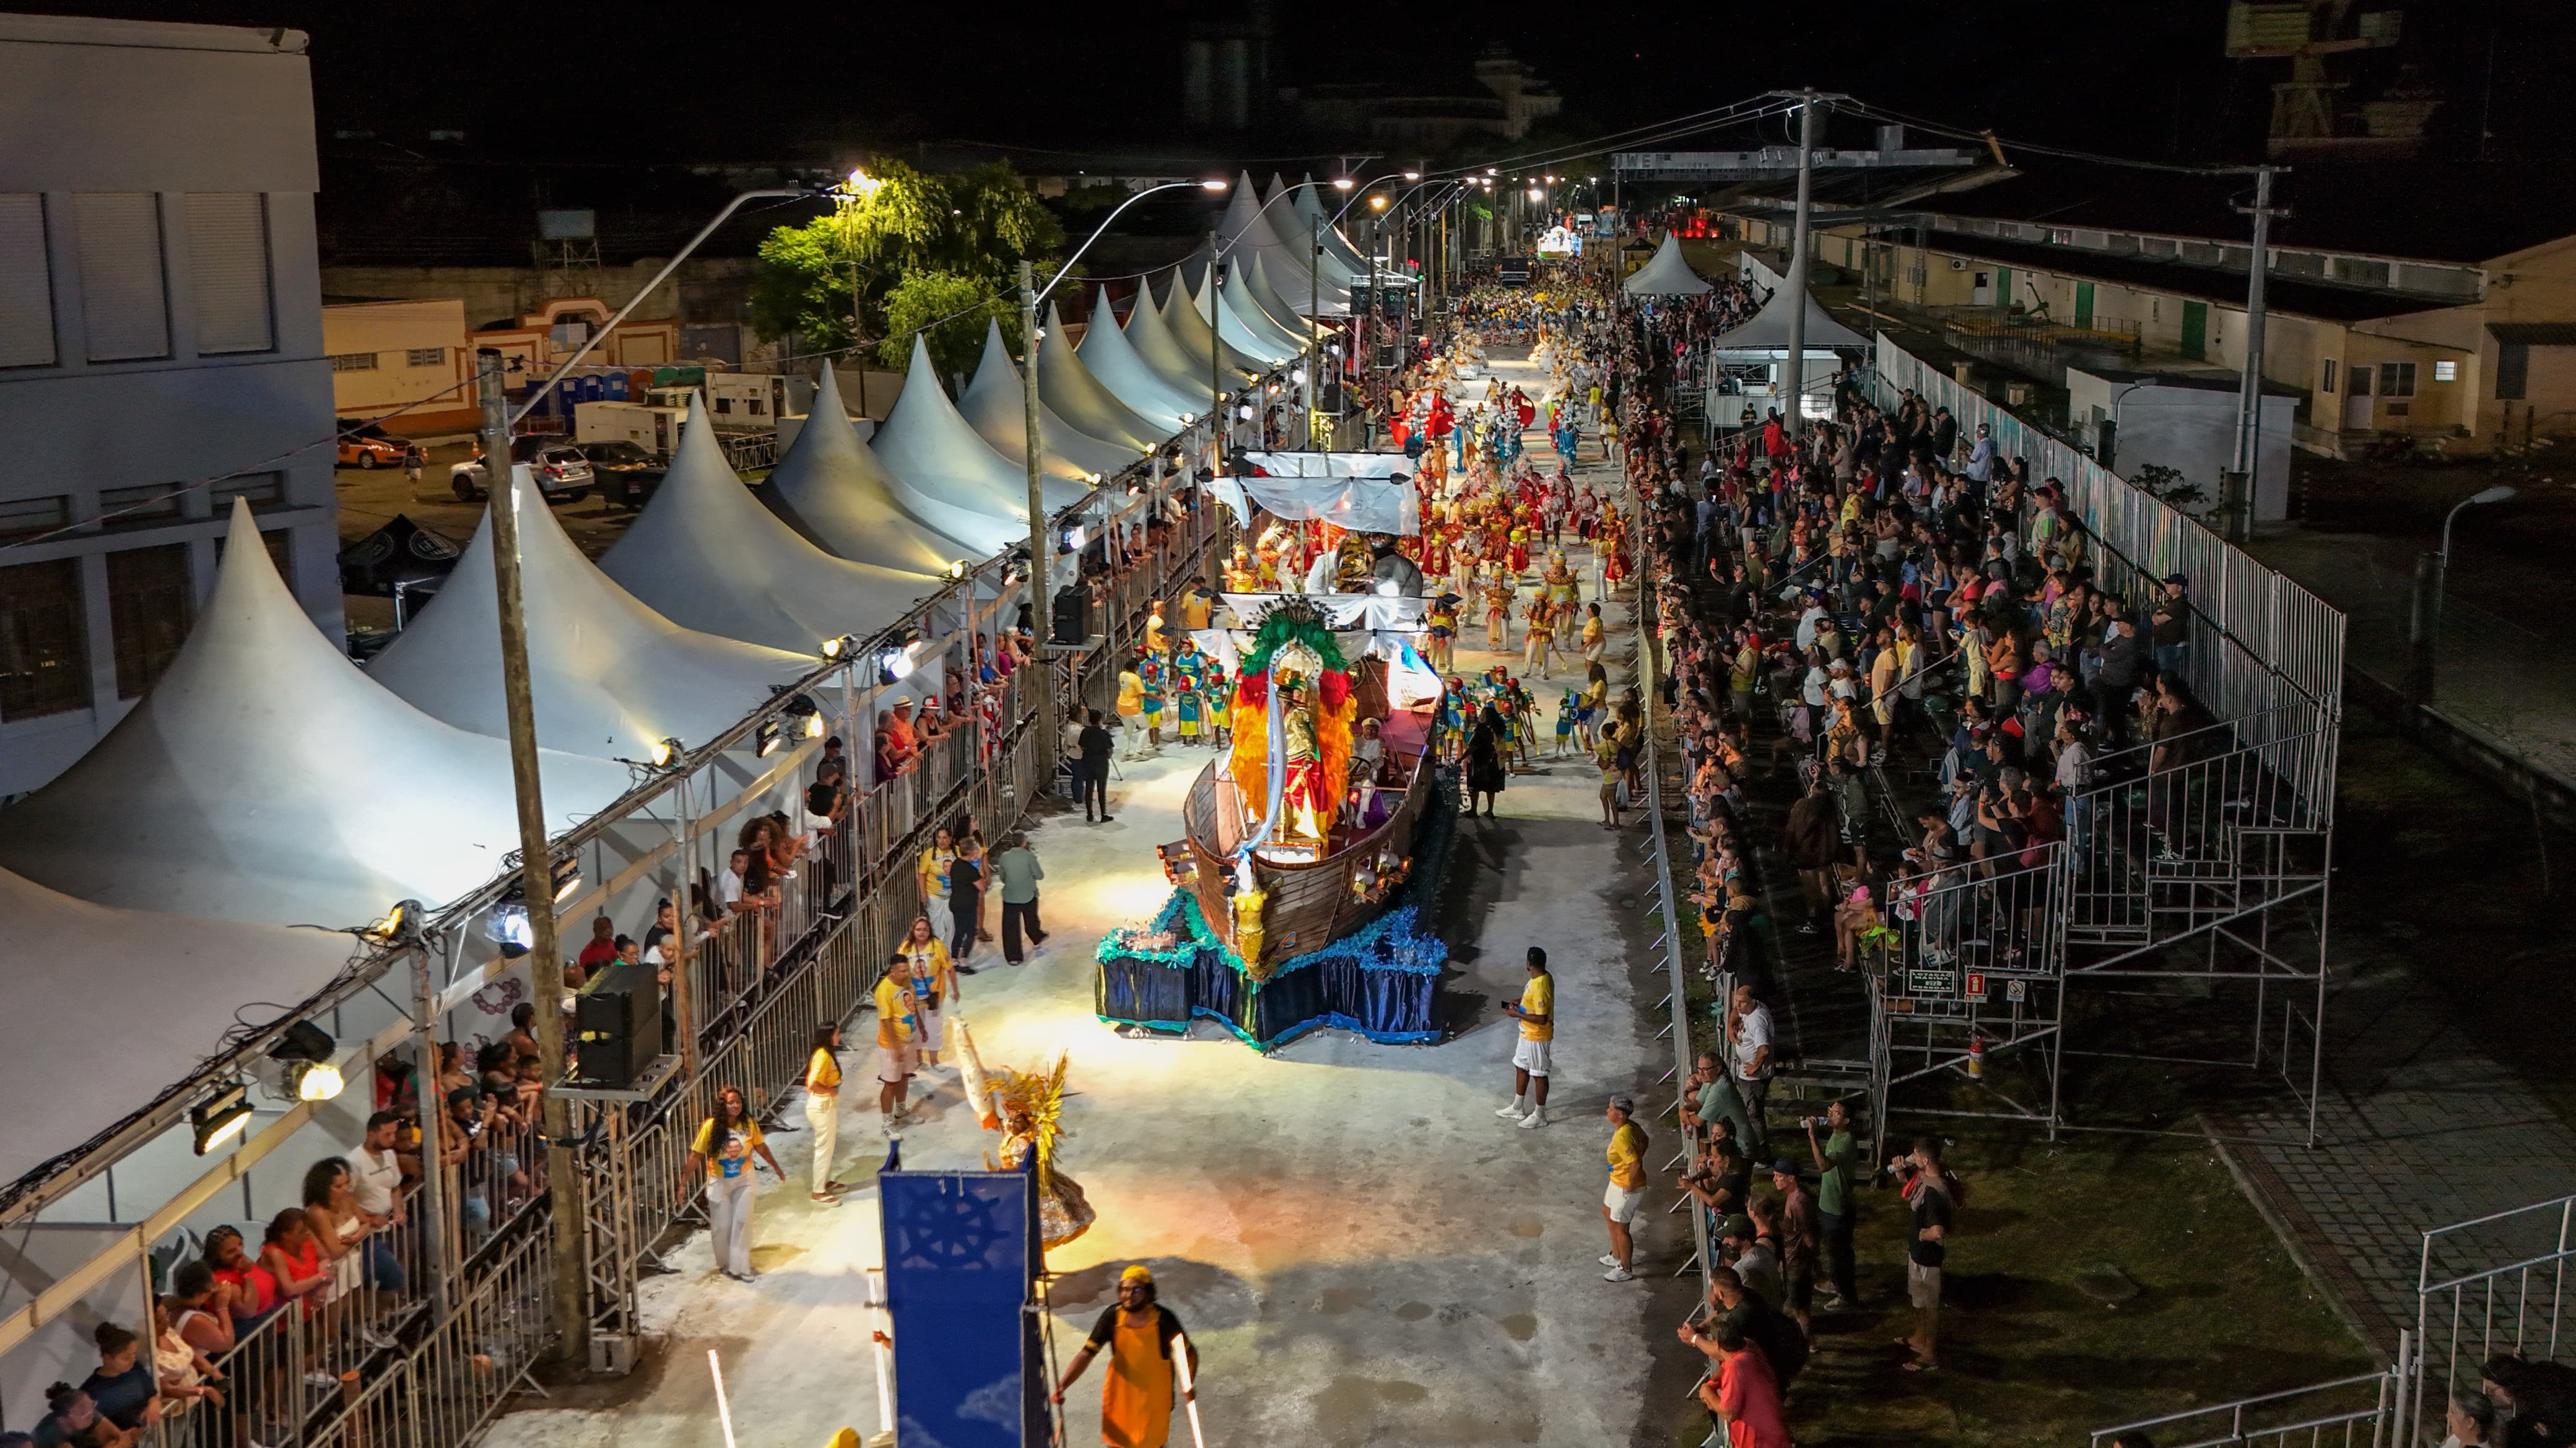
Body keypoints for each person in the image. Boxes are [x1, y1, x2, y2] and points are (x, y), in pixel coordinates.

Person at [1051, 1265, 1198, 1448]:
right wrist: (1063, 1384)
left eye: (1136, 1290)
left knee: (1150, 1442)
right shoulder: (1112, 1317)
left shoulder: (1164, 1320)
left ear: (1148, 1292)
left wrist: (1188, 1383)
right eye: (1125, 1289)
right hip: (1122, 1400)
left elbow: (1189, 1354)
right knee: (1118, 1443)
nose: (1129, 1296)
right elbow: (1087, 1353)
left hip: (1154, 1402)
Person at [684, 1084, 782, 1281]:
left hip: (744, 1179)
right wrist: (682, 1183)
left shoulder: (748, 1123)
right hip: (719, 1182)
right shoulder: (710, 1127)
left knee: (742, 1221)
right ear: (723, 1106)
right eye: (731, 1103)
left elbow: (761, 1147)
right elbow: (696, 1156)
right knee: (722, 1227)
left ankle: (741, 1266)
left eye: (738, 1102)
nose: (736, 1106)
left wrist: (776, 1167)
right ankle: (726, 1264)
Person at [1894, 1135, 1954, 1372]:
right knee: (1919, 1300)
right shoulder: (1924, 1177)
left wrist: (1921, 1235)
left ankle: (1930, 1353)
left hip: (1928, 1258)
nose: (1913, 1157)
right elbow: (1911, 1192)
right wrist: (1901, 1173)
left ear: (1926, 1159)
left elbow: (1937, 1231)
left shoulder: (1934, 1193)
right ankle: (1919, 1338)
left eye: (1916, 1154)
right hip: (1918, 1254)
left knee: (1929, 1306)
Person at [1690, 1320, 1788, 1448]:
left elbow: (1729, 1412)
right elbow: (1724, 1367)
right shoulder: (1747, 1350)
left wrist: (1707, 1393)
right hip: (1771, 1436)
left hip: (1759, 1442)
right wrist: (1711, 1384)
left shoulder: (1735, 1366)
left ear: (1717, 1345)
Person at [1805, 1099, 1861, 1309]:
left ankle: (1846, 1295)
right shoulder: (1836, 1134)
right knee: (1833, 1251)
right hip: (1828, 1204)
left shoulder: (1846, 1140)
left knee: (1840, 1254)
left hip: (1838, 1208)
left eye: (1836, 1113)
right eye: (1830, 1109)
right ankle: (1837, 1283)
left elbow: (1823, 1166)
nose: (1830, 1114)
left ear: (1846, 1120)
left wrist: (1812, 1136)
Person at [1496, 947, 1553, 1129]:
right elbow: (1530, 997)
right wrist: (1518, 1002)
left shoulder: (1541, 986)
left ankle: (1540, 1115)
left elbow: (1542, 1018)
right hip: (1526, 1033)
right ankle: (1518, 1107)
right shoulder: (1540, 977)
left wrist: (1517, 1016)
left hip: (1537, 1036)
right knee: (1521, 1066)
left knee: (1539, 1074)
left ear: (1528, 964)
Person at [1599, 1096, 1649, 1283]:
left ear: (1619, 1114)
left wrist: (1629, 1182)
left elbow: (1635, 1162)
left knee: (1622, 1228)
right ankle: (1616, 1254)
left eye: (1610, 1109)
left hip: (1627, 1187)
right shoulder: (1631, 1126)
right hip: (1617, 1180)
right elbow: (1645, 1140)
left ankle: (1626, 1268)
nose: (1607, 1110)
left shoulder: (1622, 1136)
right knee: (1607, 1212)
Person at [899, 916, 955, 1072]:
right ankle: (918, 1059)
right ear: (913, 931)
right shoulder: (906, 947)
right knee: (916, 1029)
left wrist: (955, 991)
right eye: (918, 929)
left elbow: (949, 968)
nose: (921, 932)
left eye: (925, 929)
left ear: (929, 932)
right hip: (912, 999)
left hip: (933, 997)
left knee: (934, 1028)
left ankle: (934, 1060)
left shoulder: (937, 946)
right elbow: (899, 970)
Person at [803, 1023, 851, 1203]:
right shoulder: (823, 1056)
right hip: (822, 1106)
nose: (839, 1037)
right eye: (837, 1034)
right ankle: (818, 1191)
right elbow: (812, 1083)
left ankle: (825, 1181)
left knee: (828, 1146)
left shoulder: (826, 1053)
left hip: (826, 1106)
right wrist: (830, 1091)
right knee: (824, 1148)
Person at [1726, 982, 1775, 1155]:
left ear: (1753, 1001)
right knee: (1749, 1112)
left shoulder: (1757, 1021)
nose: (1738, 1006)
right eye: (1736, 1001)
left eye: (1742, 1002)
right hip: (1746, 1075)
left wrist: (1755, 1067)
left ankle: (1761, 1154)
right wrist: (1732, 1027)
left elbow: (1764, 1049)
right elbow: (1735, 1011)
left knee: (1754, 1115)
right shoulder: (1748, 1010)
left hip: (1755, 1078)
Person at [872, 960, 920, 1135]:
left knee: (905, 1077)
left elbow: (912, 1008)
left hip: (909, 1041)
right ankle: (887, 1123)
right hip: (892, 1046)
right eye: (902, 971)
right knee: (891, 1083)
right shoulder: (884, 991)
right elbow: (886, 1022)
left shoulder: (906, 982)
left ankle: (901, 1111)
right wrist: (895, 1048)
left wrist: (920, 1028)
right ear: (892, 971)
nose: (907, 973)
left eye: (907, 970)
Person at [993, 833, 1049, 964]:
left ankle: (1014, 957)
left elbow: (1002, 877)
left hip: (1010, 896)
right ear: (1024, 843)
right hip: (1028, 895)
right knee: (1031, 920)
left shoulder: (1005, 857)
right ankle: (1036, 938)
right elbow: (1039, 876)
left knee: (1010, 927)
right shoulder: (1029, 856)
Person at [1464, 704, 1509, 818]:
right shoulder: (1497, 728)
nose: (1480, 716)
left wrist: (1465, 757)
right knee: (1491, 788)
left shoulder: (1484, 729)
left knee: (1475, 786)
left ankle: (1474, 810)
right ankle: (1490, 811)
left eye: (1483, 715)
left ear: (1488, 717)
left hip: (1482, 761)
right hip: (1494, 762)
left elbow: (1475, 745)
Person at [1079, 709, 1116, 823]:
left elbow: (1082, 746)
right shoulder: (1104, 734)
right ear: (1100, 720)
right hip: (1101, 763)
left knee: (1089, 788)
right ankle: (1103, 814)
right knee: (1101, 789)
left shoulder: (1085, 731)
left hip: (1088, 762)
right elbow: (1109, 749)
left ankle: (1089, 814)